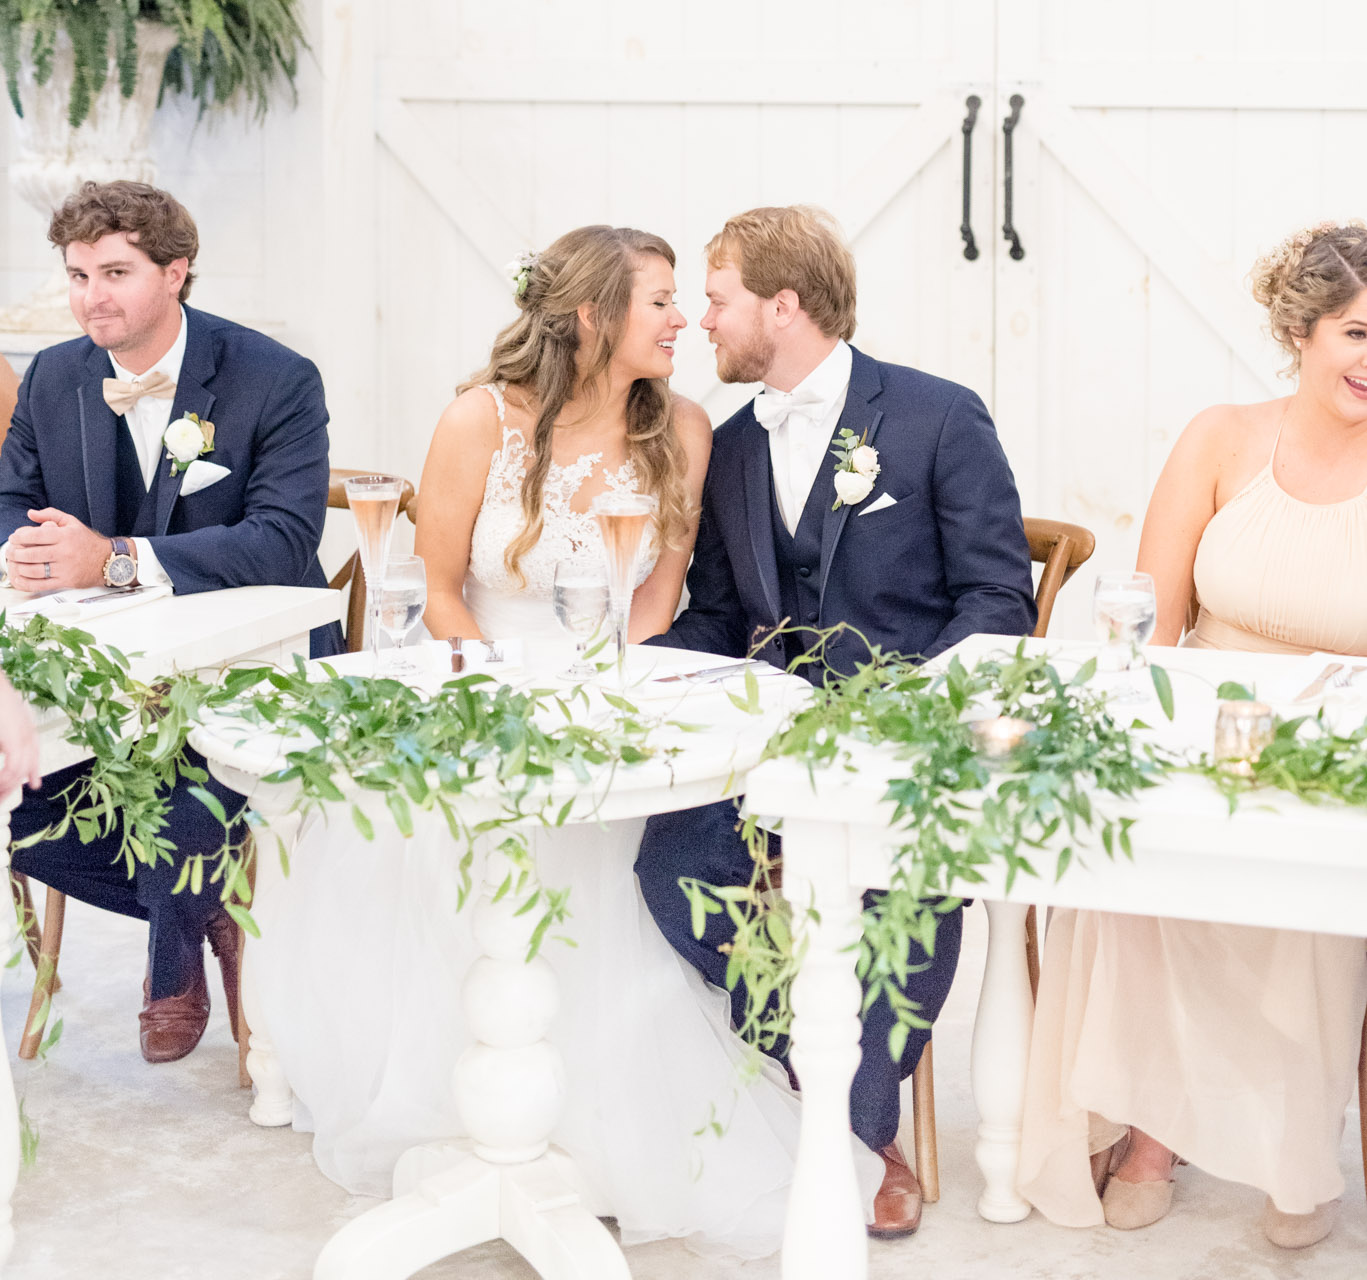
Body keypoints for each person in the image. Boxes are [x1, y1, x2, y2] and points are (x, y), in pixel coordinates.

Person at [245, 225, 862, 1254]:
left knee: (610, 898)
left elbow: (659, 598)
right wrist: (505, 704)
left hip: (613, 705)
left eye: (682, 300)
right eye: (660, 301)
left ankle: (597, 1132)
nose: (682, 321)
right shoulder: (478, 419)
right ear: (590, 316)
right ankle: (479, 1126)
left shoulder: (687, 429)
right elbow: (439, 588)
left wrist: (596, 708)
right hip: (483, 695)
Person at [634, 204, 1036, 1238]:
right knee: (668, 867)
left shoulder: (939, 417)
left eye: (716, 299)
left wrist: (911, 710)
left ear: (783, 302)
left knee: (903, 893)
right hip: (762, 743)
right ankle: (820, 1087)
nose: (701, 321)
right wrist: (623, 670)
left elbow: (996, 600)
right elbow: (723, 614)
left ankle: (853, 1135)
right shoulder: (728, 445)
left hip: (906, 741)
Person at [1019, 220, 1367, 1249]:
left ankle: (1291, 1147)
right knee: (1133, 860)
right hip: (1199, 721)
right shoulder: (1220, 436)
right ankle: (1152, 1134)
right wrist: (1147, 741)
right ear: (1299, 329)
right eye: (1356, 332)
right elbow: (1147, 618)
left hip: (1337, 748)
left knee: (1303, 882)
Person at [0, 179, 336, 1064]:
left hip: (257, 657)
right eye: (76, 276)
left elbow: (284, 538)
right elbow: (10, 501)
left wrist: (112, 559)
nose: (89, 298)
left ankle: (170, 966)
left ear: (177, 272)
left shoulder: (277, 378)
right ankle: (195, 908)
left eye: (114, 272)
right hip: (110, 665)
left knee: (188, 771)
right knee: (28, 808)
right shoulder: (55, 376)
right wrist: (25, 552)